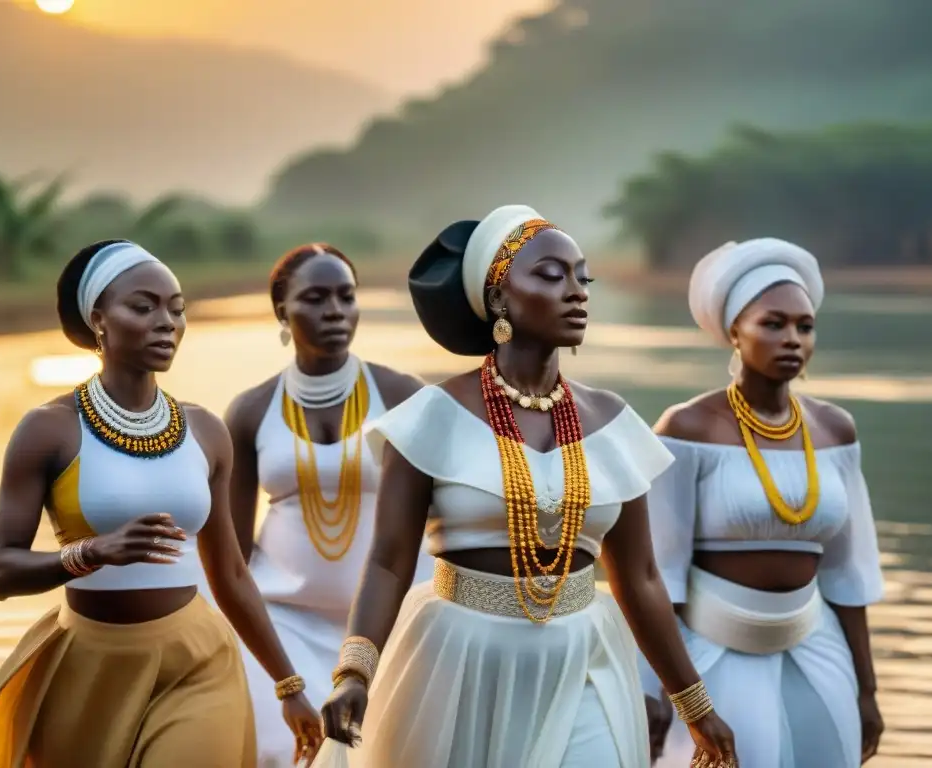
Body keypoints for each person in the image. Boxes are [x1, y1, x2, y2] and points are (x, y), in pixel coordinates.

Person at [312, 206, 739, 768]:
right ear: (498, 300)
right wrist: (354, 671)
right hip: (460, 659)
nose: (576, 291)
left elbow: (639, 577)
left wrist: (694, 703)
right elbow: (389, 561)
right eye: (550, 274)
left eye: (581, 276)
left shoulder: (613, 423)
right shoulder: (431, 418)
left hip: (583, 657)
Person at [0, 240, 322, 767]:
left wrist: (288, 684)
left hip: (197, 663)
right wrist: (93, 553)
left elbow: (229, 573)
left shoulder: (205, 431)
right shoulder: (49, 430)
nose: (167, 322)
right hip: (88, 667)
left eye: (176, 309)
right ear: (98, 320)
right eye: (144, 306)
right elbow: (1, 572)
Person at [640, 239, 885, 767]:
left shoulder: (835, 430)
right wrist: (655, 688)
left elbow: (848, 574)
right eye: (773, 324)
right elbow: (656, 576)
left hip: (817, 652)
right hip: (708, 658)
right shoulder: (686, 429)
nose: (792, 339)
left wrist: (867, 690)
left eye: (805, 325)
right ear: (733, 331)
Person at [222, 242, 433, 766]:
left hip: (391, 626)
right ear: (281, 311)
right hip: (284, 626)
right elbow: (231, 550)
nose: (335, 311)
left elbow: (442, 517)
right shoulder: (250, 411)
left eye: (345, 296)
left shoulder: (402, 395)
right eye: (315, 298)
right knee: (284, 756)